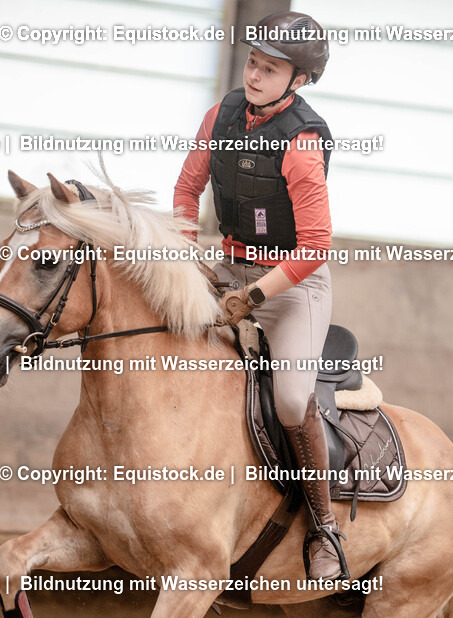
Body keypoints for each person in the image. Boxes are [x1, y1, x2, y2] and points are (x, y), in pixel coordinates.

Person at [174, 11, 346, 581]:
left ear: (298, 79)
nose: (253, 75)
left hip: (293, 284)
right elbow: (187, 187)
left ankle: (324, 527)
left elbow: (316, 245)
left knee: (293, 400)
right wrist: (181, 254)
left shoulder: (301, 142)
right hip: (228, 266)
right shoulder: (220, 113)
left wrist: (254, 298)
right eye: (252, 62)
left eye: (269, 68)